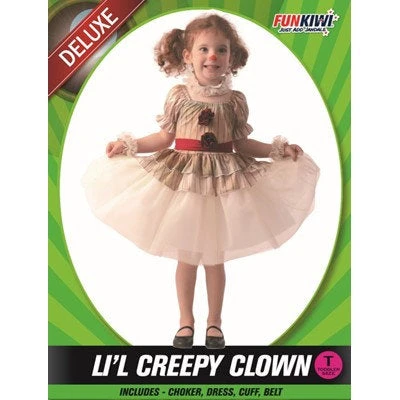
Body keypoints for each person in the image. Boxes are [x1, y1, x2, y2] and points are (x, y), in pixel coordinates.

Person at [82, 13, 319, 349]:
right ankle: (185, 321)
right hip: (185, 185)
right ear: (187, 55)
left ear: (231, 58)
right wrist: (130, 144)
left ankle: (214, 323)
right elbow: (164, 138)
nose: (212, 56)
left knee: (215, 258)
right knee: (187, 256)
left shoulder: (235, 102)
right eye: (204, 49)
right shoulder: (179, 96)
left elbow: (242, 144)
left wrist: (277, 150)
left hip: (222, 185)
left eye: (221, 50)